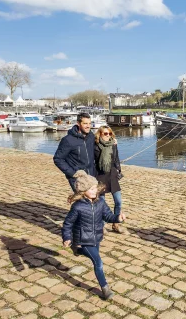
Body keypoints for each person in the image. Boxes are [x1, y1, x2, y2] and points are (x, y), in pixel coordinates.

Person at [62, 170, 125, 300]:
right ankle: (105, 289)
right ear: (83, 191)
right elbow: (68, 223)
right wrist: (67, 237)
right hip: (83, 238)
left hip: (96, 237)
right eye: (91, 188)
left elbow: (108, 216)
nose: (94, 190)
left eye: (95, 187)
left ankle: (77, 250)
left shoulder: (100, 203)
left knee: (93, 256)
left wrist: (118, 218)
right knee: (98, 262)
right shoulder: (77, 207)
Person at [53, 113, 96, 192]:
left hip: (91, 175)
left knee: (92, 200)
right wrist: (72, 173)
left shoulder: (91, 136)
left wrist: (112, 142)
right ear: (78, 123)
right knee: (83, 201)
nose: (88, 126)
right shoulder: (68, 140)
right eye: (85, 123)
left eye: (90, 123)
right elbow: (58, 159)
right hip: (77, 177)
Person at [94, 126, 124, 233]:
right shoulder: (95, 145)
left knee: (118, 201)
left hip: (112, 175)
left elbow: (116, 158)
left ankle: (116, 223)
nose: (108, 136)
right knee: (101, 202)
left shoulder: (113, 144)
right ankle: (101, 225)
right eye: (105, 134)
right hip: (100, 175)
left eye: (110, 134)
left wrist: (118, 170)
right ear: (100, 134)